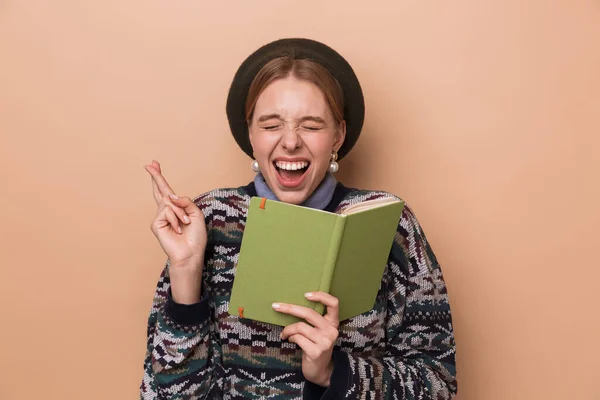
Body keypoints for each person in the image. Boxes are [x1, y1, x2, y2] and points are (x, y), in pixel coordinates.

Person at [140, 38, 457, 399]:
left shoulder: (389, 223)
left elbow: (437, 385)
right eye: (271, 124)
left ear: (338, 135)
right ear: (251, 134)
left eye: (312, 125)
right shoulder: (208, 219)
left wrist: (334, 373)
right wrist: (185, 270)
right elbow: (162, 394)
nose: (290, 142)